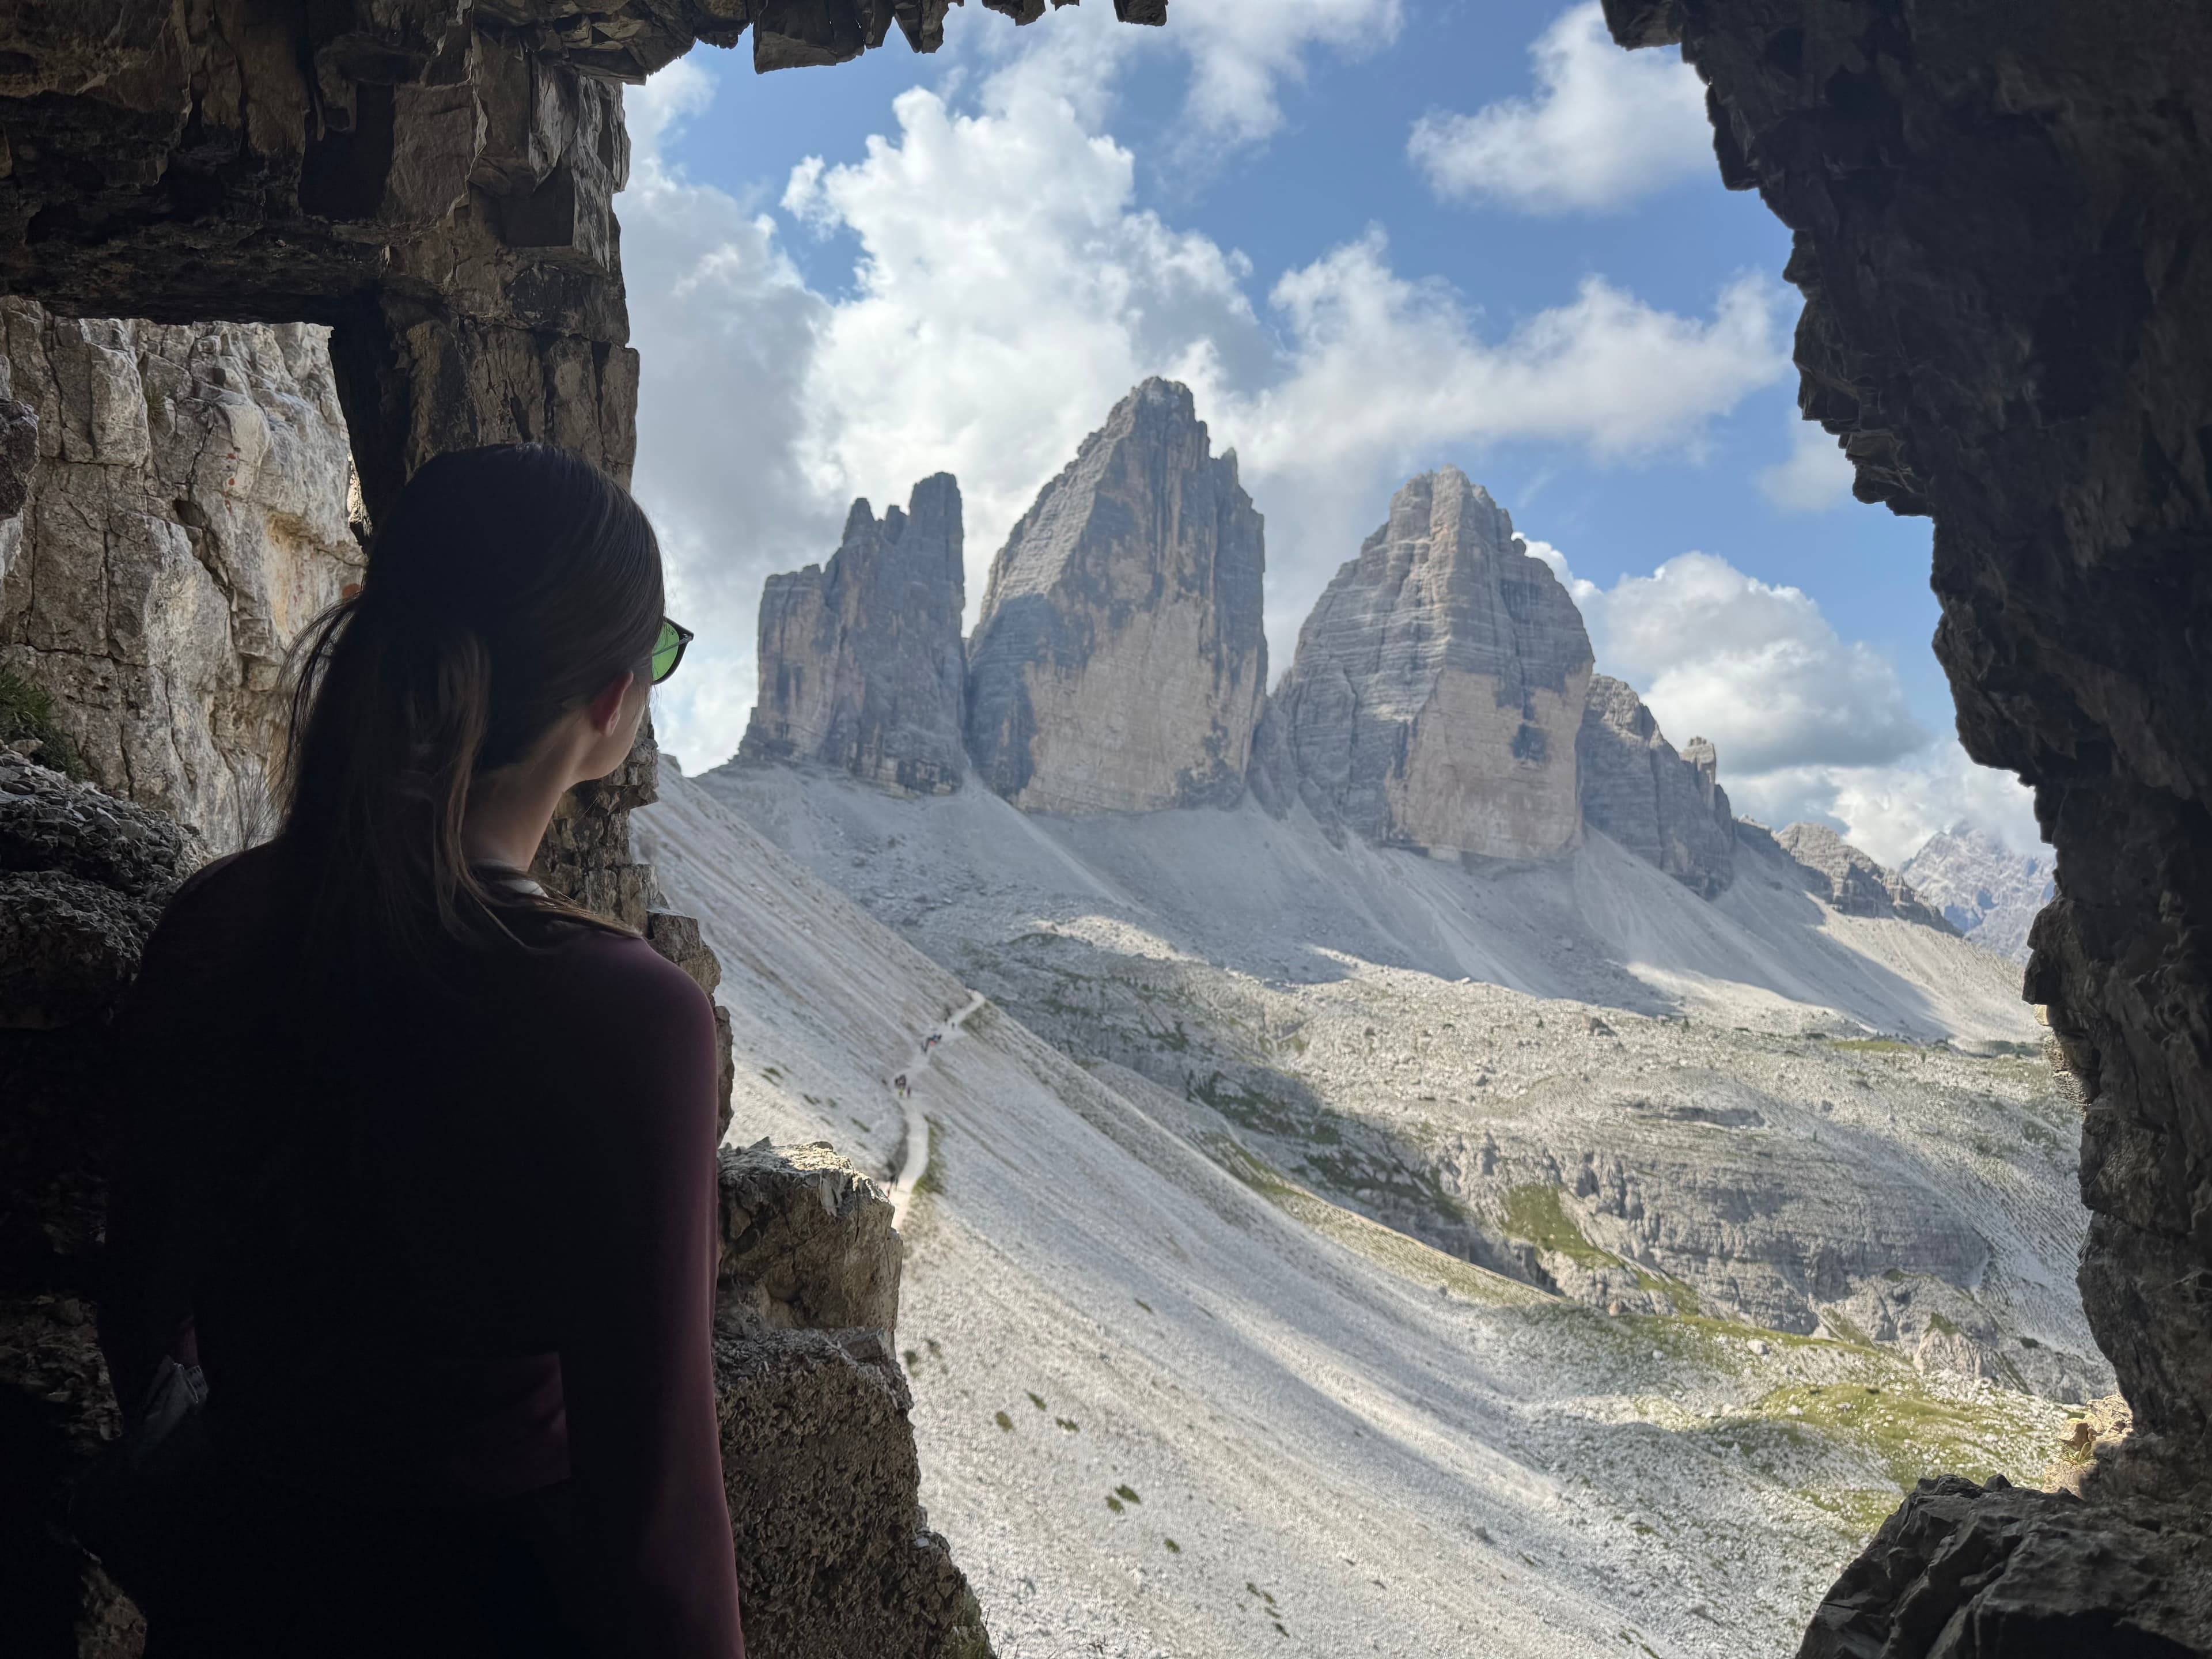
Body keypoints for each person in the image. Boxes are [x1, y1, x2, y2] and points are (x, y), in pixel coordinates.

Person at [96, 445, 743, 1658]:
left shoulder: (221, 920)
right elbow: (658, 1530)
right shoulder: (629, 1015)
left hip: (234, 1599)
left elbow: (140, 1296)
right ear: (612, 700)